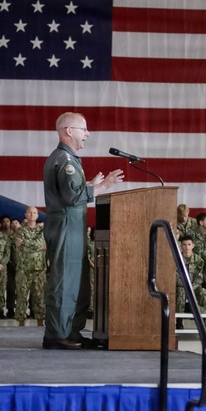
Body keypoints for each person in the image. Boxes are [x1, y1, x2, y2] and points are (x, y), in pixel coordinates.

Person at [42, 112, 123, 350]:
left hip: (72, 230)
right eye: (84, 129)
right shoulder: (65, 160)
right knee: (64, 282)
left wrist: (92, 186)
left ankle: (71, 332)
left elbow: (71, 192)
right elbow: (71, 197)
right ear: (68, 131)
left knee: (76, 283)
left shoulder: (68, 158)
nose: (87, 134)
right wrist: (103, 186)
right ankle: (57, 335)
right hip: (66, 228)